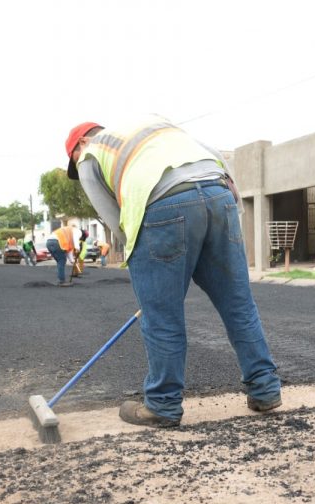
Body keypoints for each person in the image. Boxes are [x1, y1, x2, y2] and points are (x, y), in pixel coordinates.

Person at [63, 117, 281, 428]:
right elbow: (218, 160)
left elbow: (112, 216)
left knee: (162, 317)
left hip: (164, 205)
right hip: (220, 197)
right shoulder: (154, 127)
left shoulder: (89, 155)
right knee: (239, 305)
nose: (76, 163)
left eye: (72, 158)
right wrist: (231, 219)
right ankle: (266, 389)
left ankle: (163, 405)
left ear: (81, 143)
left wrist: (146, 265)